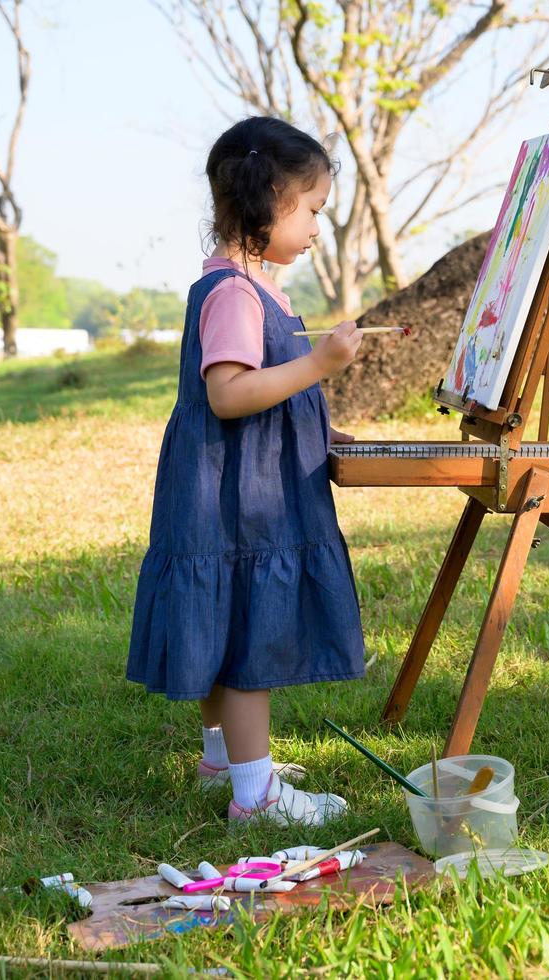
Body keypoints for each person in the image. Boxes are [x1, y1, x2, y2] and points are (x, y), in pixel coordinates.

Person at [127, 116, 365, 826]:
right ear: (267, 198)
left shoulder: (241, 285)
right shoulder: (233, 293)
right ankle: (253, 796)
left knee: (220, 617)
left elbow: (257, 391)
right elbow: (229, 393)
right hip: (238, 499)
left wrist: (315, 420)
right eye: (313, 209)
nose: (318, 228)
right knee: (245, 638)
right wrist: (320, 365)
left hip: (228, 487)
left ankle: (220, 761)